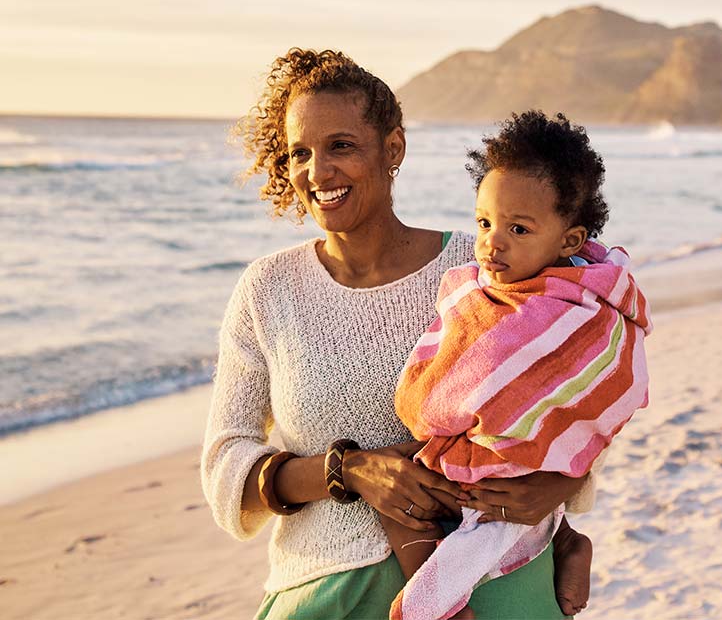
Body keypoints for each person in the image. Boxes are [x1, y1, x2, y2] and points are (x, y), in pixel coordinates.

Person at [201, 49, 594, 620]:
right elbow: (225, 467)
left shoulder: (480, 266)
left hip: (488, 573)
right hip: (327, 586)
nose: (318, 171)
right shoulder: (267, 290)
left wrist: (561, 490)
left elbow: (575, 391)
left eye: (341, 146)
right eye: (299, 153)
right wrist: (350, 471)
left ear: (393, 150)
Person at [386, 111, 651, 620]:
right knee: (396, 487)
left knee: (429, 514)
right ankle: (564, 537)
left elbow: (609, 379)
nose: (492, 242)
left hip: (505, 472)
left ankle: (434, 604)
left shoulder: (577, 308)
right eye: (484, 222)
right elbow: (456, 348)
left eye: (518, 228)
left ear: (570, 242)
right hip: (490, 466)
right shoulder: (476, 288)